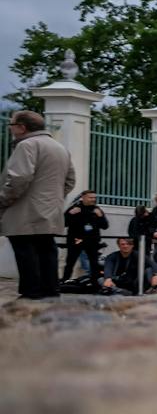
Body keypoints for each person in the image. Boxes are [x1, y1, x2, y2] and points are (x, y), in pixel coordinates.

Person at [1, 110, 76, 300]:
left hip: (24, 209)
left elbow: (19, 178)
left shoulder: (26, 145)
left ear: (22, 127)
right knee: (46, 249)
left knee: (24, 250)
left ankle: (31, 293)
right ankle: (51, 290)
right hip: (51, 209)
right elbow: (70, 181)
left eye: (12, 125)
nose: (10, 129)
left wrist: (3, 199)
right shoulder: (60, 148)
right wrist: (55, 198)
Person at [62, 190, 109, 287]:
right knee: (70, 262)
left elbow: (105, 226)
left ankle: (94, 284)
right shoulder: (75, 208)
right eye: (90, 197)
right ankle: (64, 281)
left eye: (94, 198)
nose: (93, 199)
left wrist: (100, 216)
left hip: (92, 241)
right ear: (83, 197)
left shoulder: (97, 210)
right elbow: (64, 223)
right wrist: (70, 214)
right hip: (76, 240)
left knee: (94, 264)